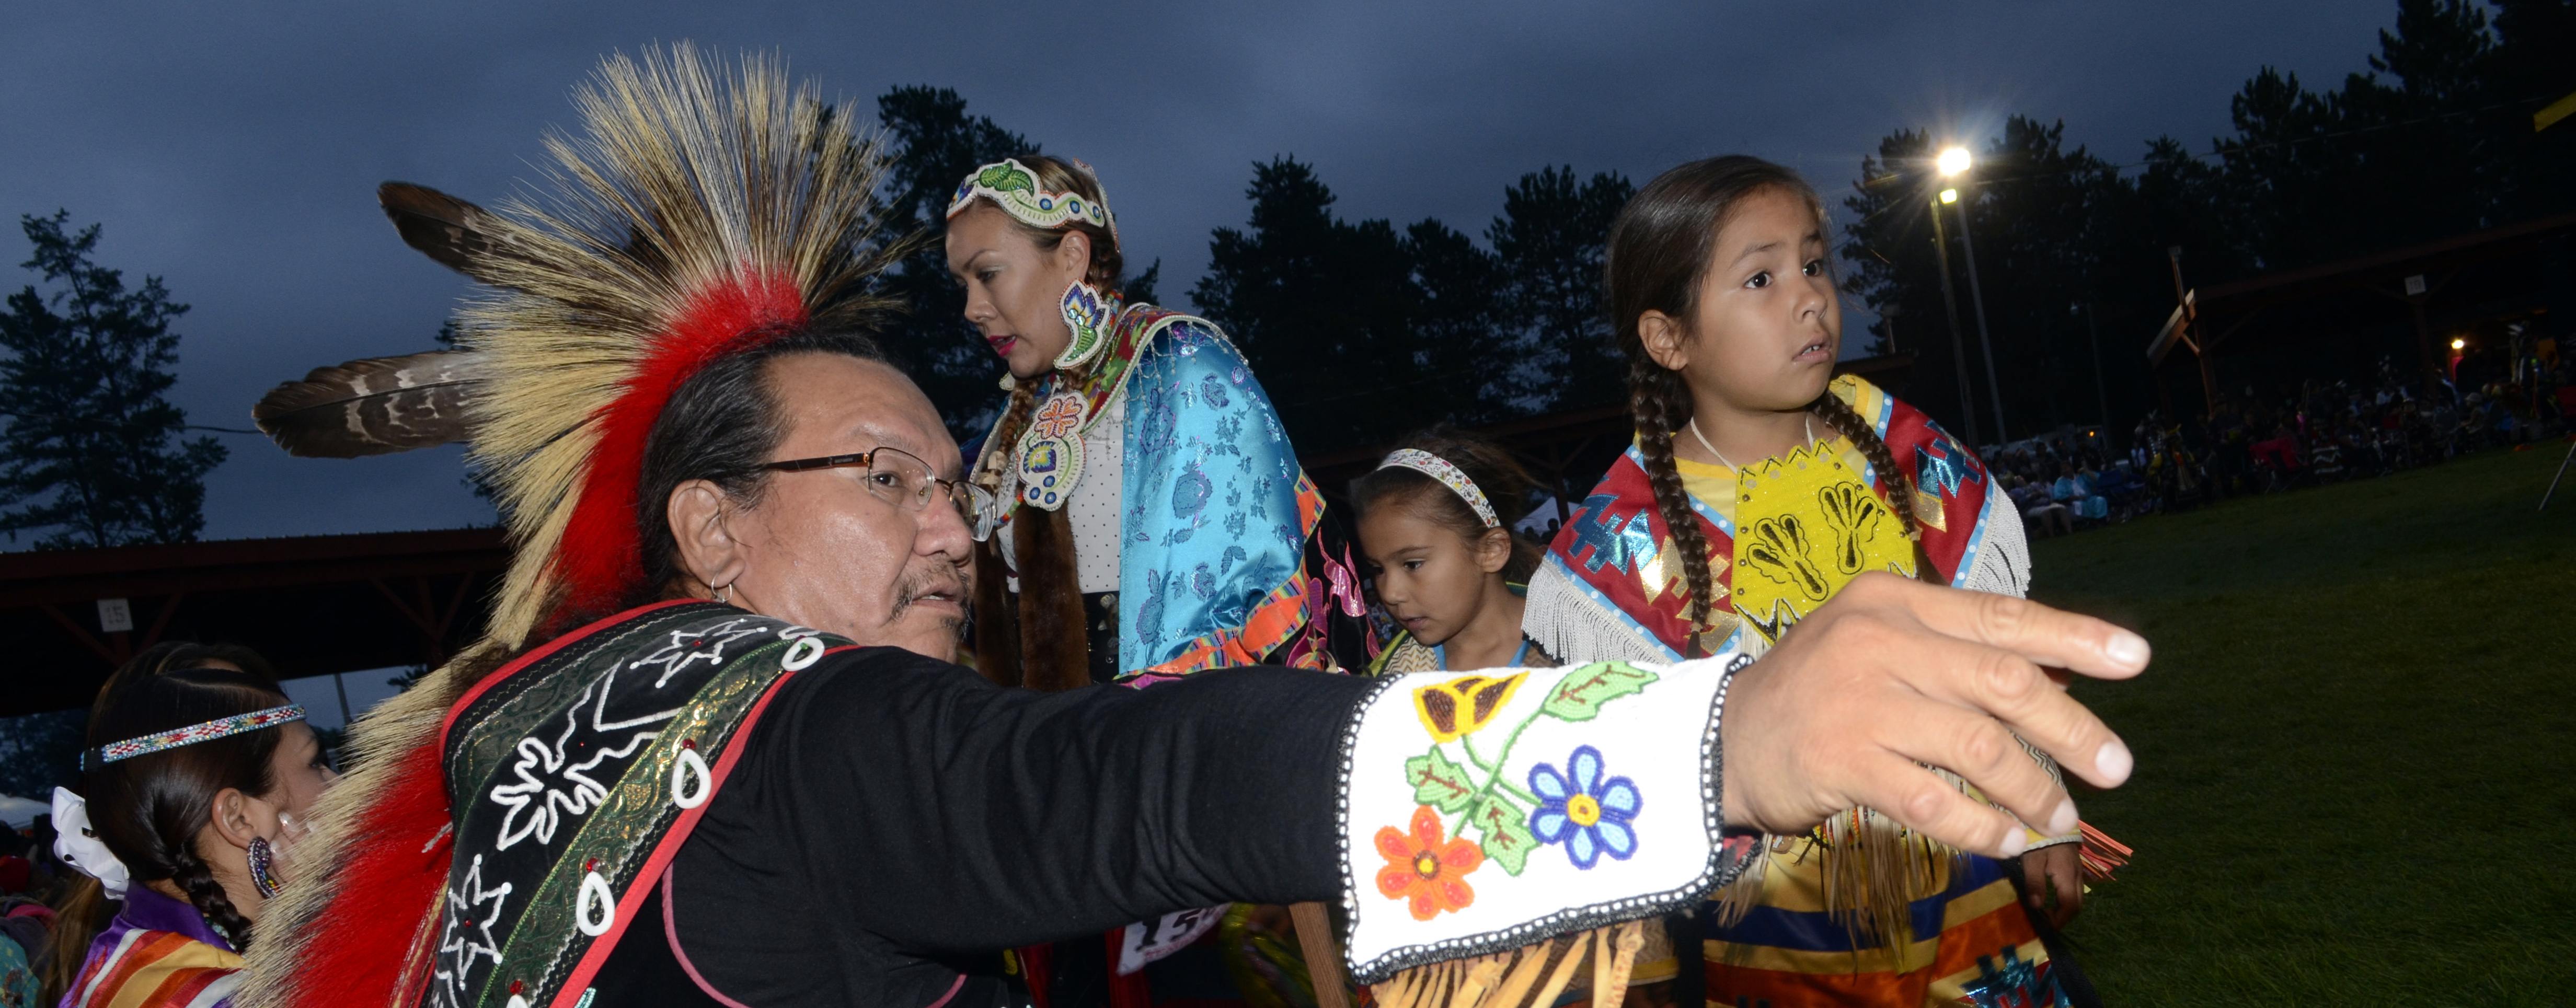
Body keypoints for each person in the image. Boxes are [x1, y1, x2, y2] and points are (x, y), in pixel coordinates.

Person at [237, 50, 2146, 1008]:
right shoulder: (786, 735)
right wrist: (1710, 739)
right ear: (713, 532)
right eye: (883, 480)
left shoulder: (545, 727)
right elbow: (1135, 780)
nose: (946, 527)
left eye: (945, 471)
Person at [1520, 156, 2091, 1007]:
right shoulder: (1624, 538)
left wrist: (2042, 795)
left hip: (1962, 886)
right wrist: (1636, 962)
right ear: (1667, 338)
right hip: (1778, 929)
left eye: (1813, 263)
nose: (1809, 296)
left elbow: (1992, 636)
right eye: (1760, 276)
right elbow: (1595, 772)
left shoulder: (1897, 446)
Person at [945, 155, 1372, 692]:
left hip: (1167, 733)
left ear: (1072, 256)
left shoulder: (1179, 364)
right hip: (1044, 746)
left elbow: (1252, 588)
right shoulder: (1020, 415)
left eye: (987, 274)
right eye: (962, 284)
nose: (971, 308)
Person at [42, 643, 336, 1008]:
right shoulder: (231, 997)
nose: (336, 783)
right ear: (239, 818)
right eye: (314, 762)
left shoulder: (134, 959)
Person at [1350, 428, 1554, 675]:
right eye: (1378, 569)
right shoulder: (1394, 681)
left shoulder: (1585, 648)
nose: (1390, 593)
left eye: (1412, 564)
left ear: (1492, 551)